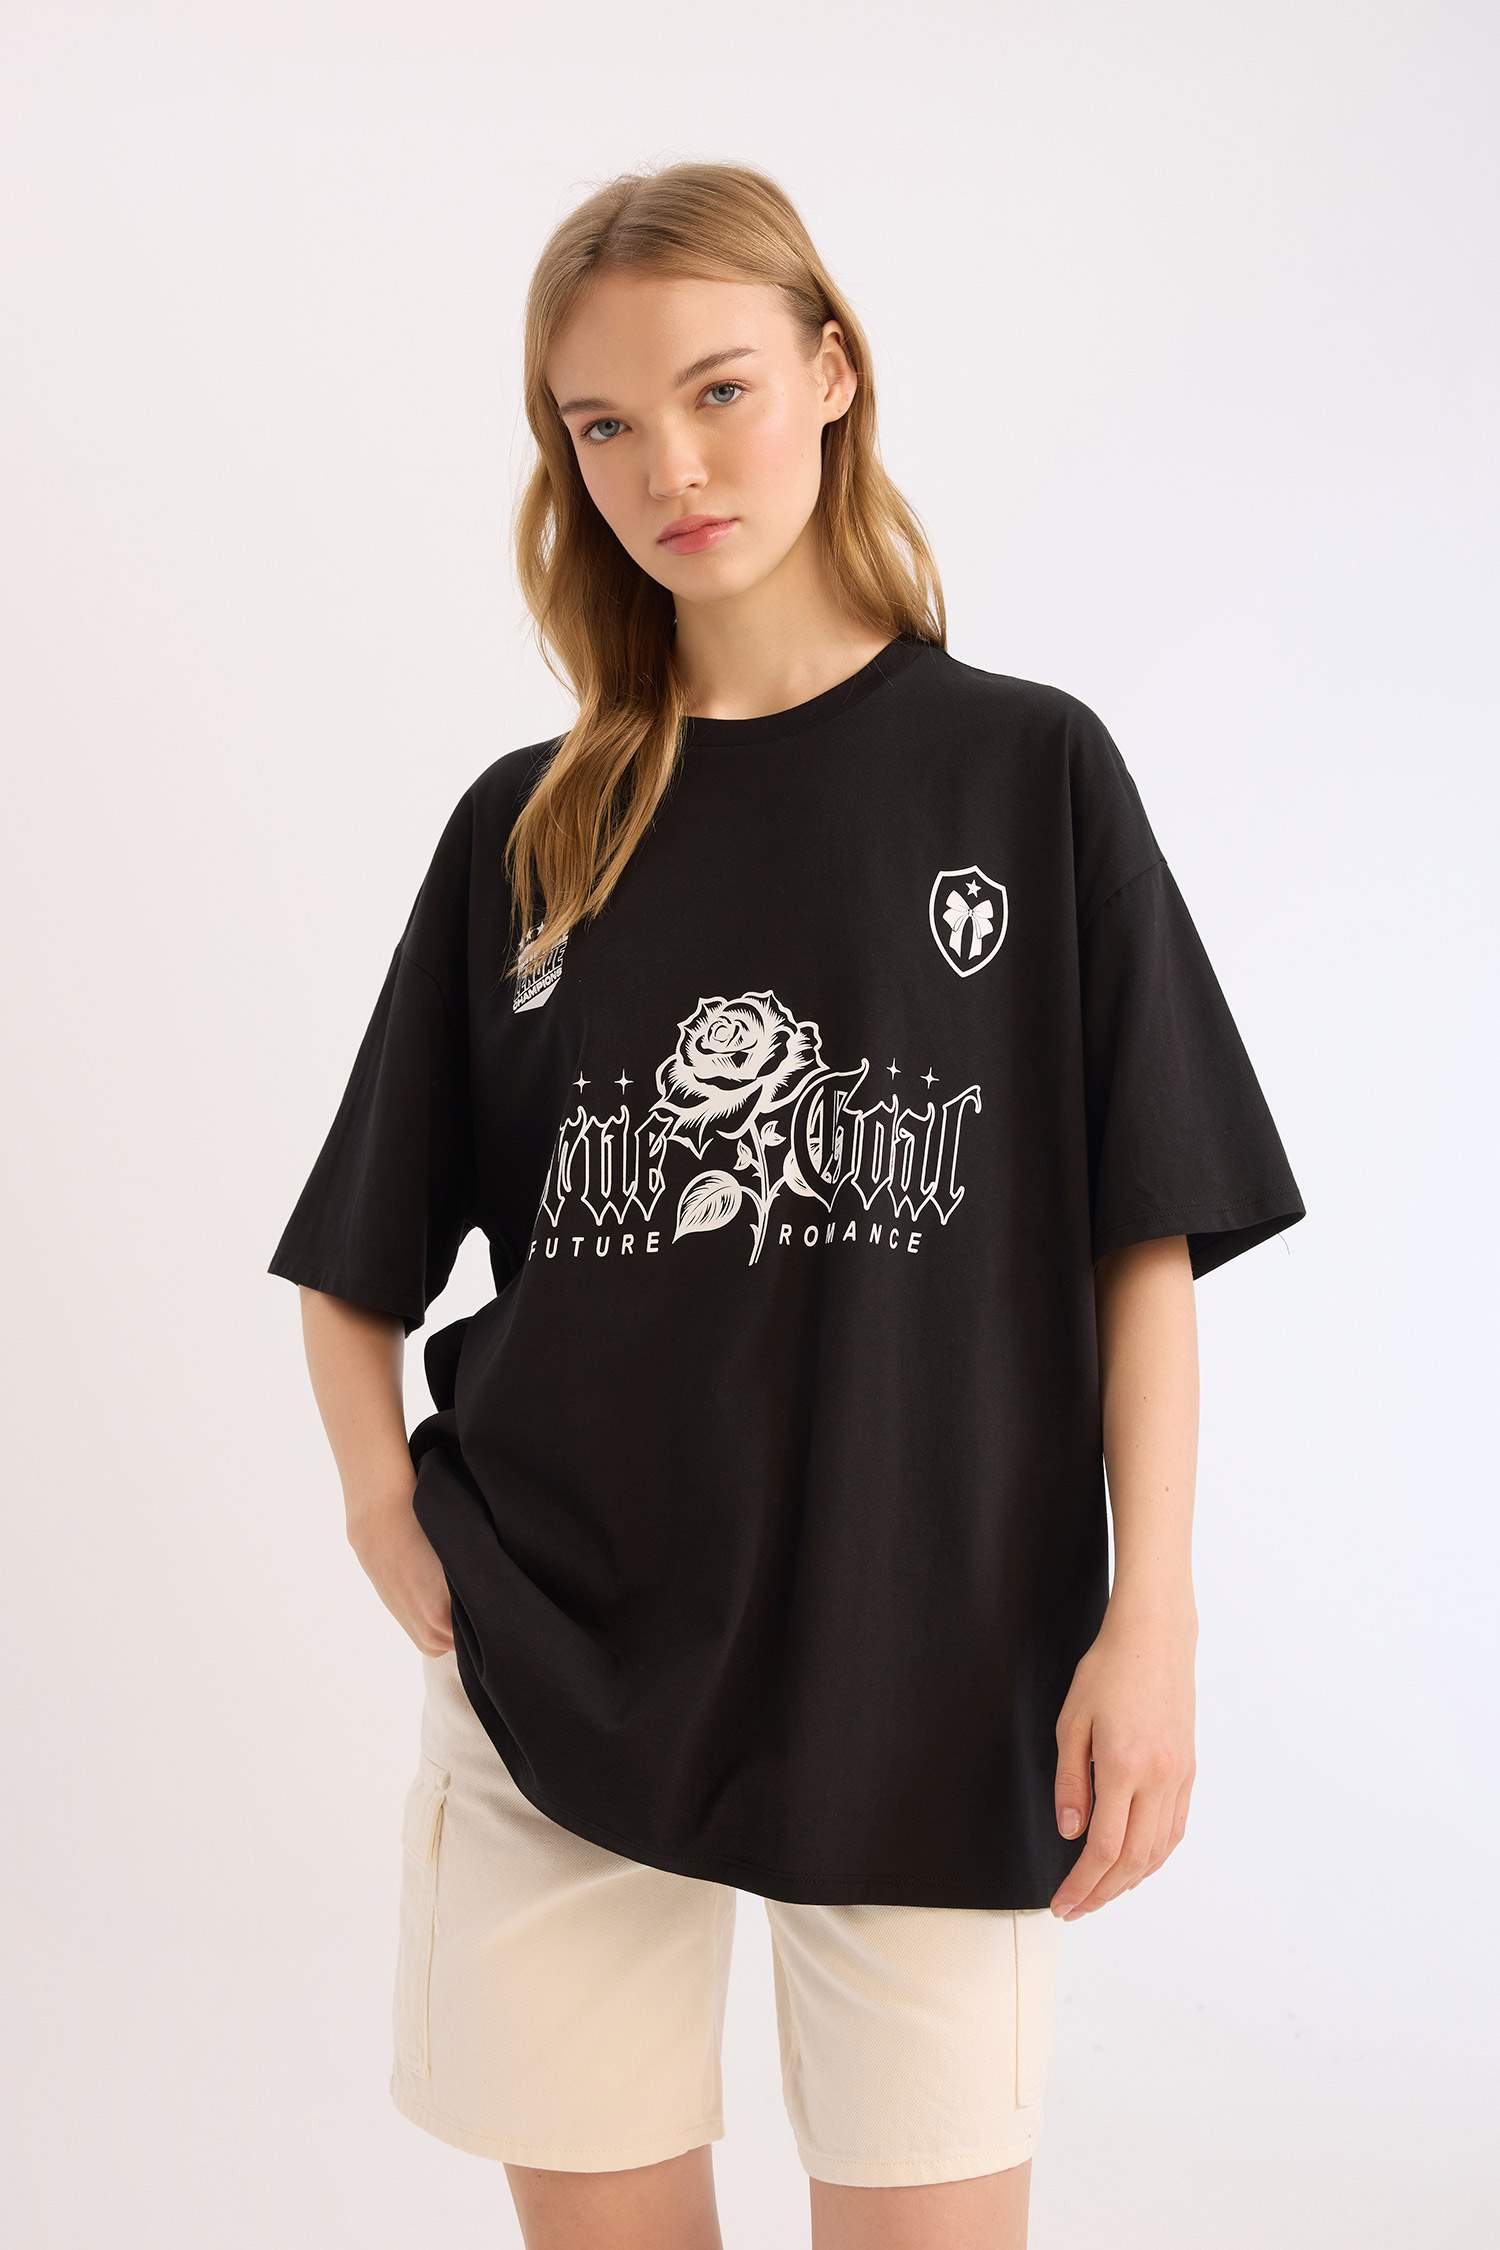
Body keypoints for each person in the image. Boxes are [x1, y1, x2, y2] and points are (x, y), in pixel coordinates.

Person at [266, 161, 1306, 2250]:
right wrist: (385, 1510)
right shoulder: (531, 829)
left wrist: (1156, 1610)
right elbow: (359, 1248)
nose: (670, 466)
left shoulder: (1026, 775)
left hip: (935, 1646)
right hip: (558, 1654)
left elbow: (1145, 1232)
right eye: (604, 424)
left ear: (834, 372)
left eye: (719, 390)